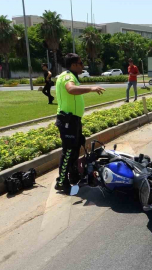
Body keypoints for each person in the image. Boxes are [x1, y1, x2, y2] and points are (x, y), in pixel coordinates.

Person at [54, 53, 105, 192]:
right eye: (81, 63)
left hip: (73, 120)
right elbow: (70, 89)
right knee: (68, 151)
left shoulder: (72, 76)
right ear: (73, 65)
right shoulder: (67, 77)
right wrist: (92, 88)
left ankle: (73, 176)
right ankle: (61, 181)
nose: (83, 66)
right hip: (67, 121)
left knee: (75, 149)